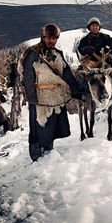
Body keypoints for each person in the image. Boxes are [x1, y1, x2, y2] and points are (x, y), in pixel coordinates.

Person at [20, 23, 83, 161]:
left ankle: (48, 151)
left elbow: (66, 74)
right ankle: (36, 155)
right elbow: (28, 76)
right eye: (48, 38)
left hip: (55, 97)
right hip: (38, 97)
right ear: (43, 37)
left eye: (54, 38)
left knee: (51, 125)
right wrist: (32, 98)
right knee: (38, 126)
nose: (51, 41)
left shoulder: (57, 54)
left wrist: (76, 89)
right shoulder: (33, 53)